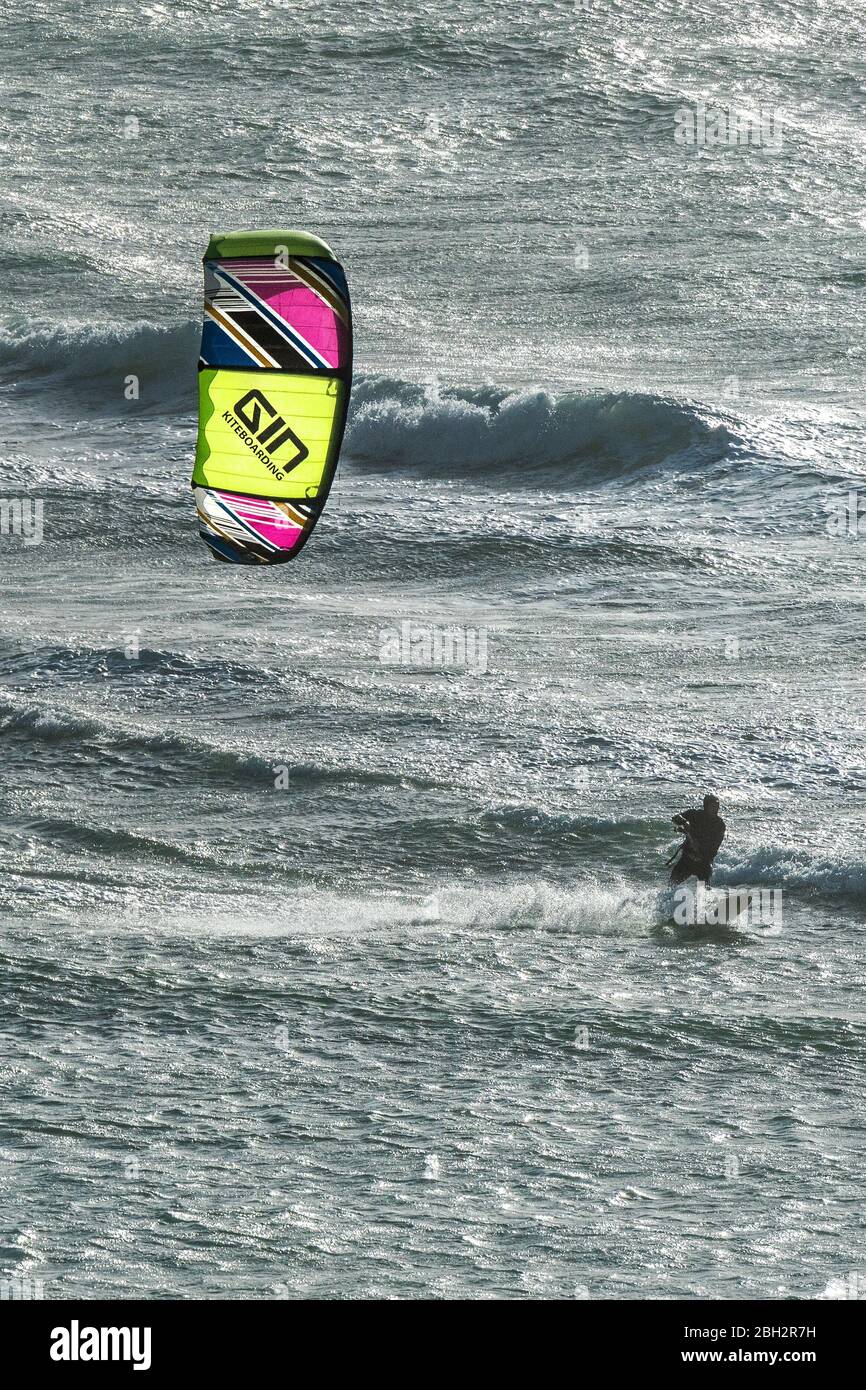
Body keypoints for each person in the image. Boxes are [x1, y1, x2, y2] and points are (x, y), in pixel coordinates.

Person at [668, 794, 725, 886]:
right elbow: (675, 818)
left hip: (704, 863)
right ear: (706, 806)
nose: (716, 809)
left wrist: (697, 843)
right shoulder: (694, 814)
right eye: (713, 806)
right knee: (671, 886)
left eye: (717, 807)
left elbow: (714, 847)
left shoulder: (719, 824)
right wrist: (684, 823)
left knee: (704, 893)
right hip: (687, 860)